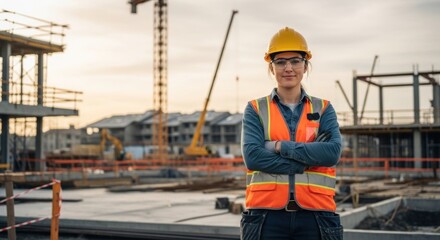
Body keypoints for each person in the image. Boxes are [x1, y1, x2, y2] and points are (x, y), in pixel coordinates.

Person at [240, 27, 343, 240]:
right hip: (266, 216)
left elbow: (332, 153)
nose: (288, 68)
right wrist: (303, 164)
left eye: (295, 61)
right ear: (272, 67)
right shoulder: (256, 109)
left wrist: (279, 146)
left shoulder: (323, 108)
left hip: (316, 215)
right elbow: (253, 157)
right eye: (280, 62)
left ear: (305, 66)